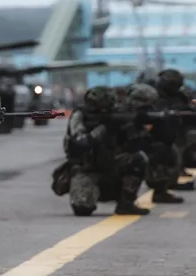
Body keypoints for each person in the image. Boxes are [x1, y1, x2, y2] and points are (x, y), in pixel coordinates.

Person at [61, 85, 150, 217]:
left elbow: (135, 145)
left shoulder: (119, 115)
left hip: (111, 165)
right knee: (83, 208)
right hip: (87, 168)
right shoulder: (80, 115)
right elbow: (82, 142)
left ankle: (126, 203)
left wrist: (133, 128)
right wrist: (104, 128)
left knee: (139, 159)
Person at [154, 69, 196, 190]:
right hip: (166, 135)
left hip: (183, 131)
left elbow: (190, 110)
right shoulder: (155, 96)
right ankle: (170, 181)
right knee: (174, 153)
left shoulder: (179, 96)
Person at [123, 83, 184, 204]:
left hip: (139, 149)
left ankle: (160, 190)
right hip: (119, 153)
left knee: (165, 150)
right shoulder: (120, 113)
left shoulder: (151, 115)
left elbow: (165, 138)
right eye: (142, 101)